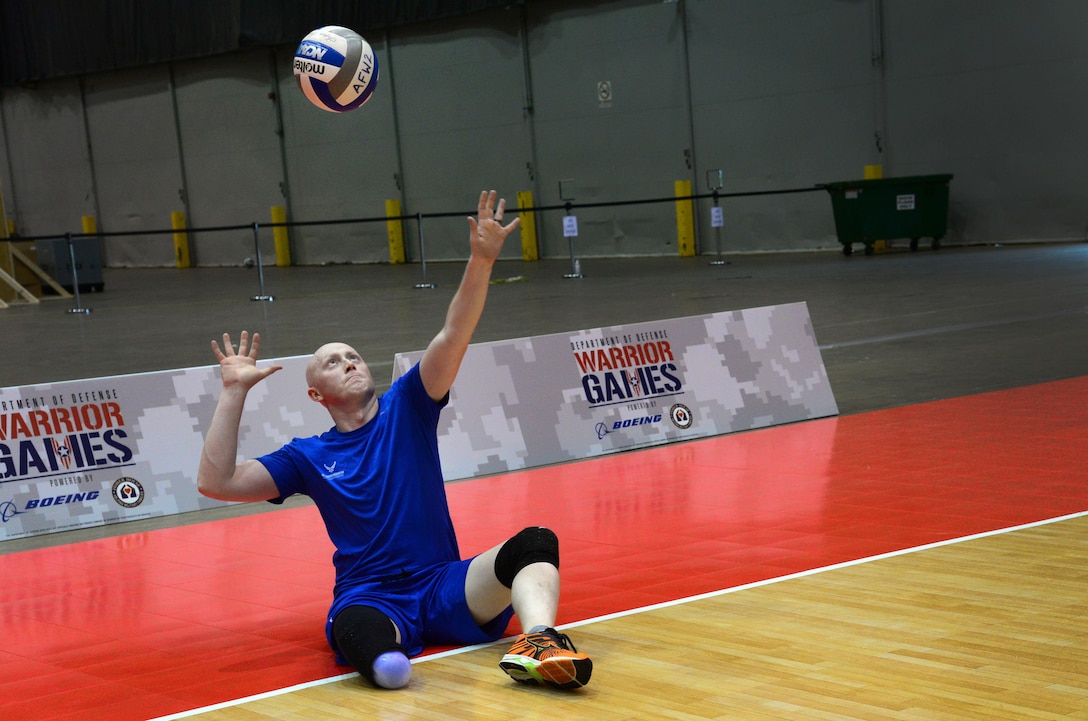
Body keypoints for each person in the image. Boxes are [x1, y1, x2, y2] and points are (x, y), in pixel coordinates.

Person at [196, 191, 592, 691]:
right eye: (333, 361)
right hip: (370, 596)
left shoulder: (410, 405)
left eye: (354, 354)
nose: (350, 361)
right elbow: (217, 482)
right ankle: (384, 664)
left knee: (535, 542)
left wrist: (481, 260)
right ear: (316, 393)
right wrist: (233, 391)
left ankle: (540, 643)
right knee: (364, 642)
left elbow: (453, 333)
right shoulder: (308, 456)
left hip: (445, 584)